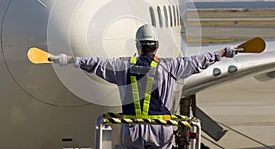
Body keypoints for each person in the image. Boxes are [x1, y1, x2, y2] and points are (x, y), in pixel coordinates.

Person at [50, 24, 236, 148]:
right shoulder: (170, 67)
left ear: (138, 46)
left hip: (130, 130)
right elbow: (198, 62)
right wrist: (223, 52)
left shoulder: (123, 67)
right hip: (161, 129)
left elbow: (95, 63)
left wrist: (67, 60)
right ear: (156, 46)